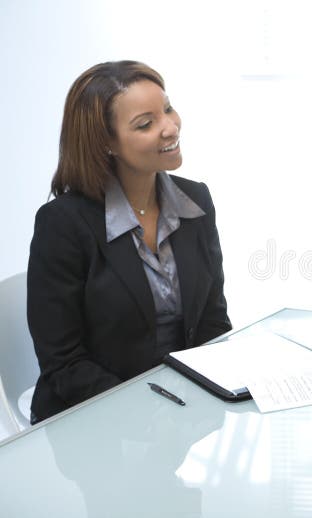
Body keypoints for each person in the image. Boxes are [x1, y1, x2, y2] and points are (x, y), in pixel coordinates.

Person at [27, 61, 232, 423]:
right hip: (93, 422)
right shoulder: (63, 225)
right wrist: (148, 413)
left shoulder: (196, 201)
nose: (170, 127)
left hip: (179, 417)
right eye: (146, 123)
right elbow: (64, 364)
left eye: (167, 108)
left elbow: (212, 322)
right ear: (106, 143)